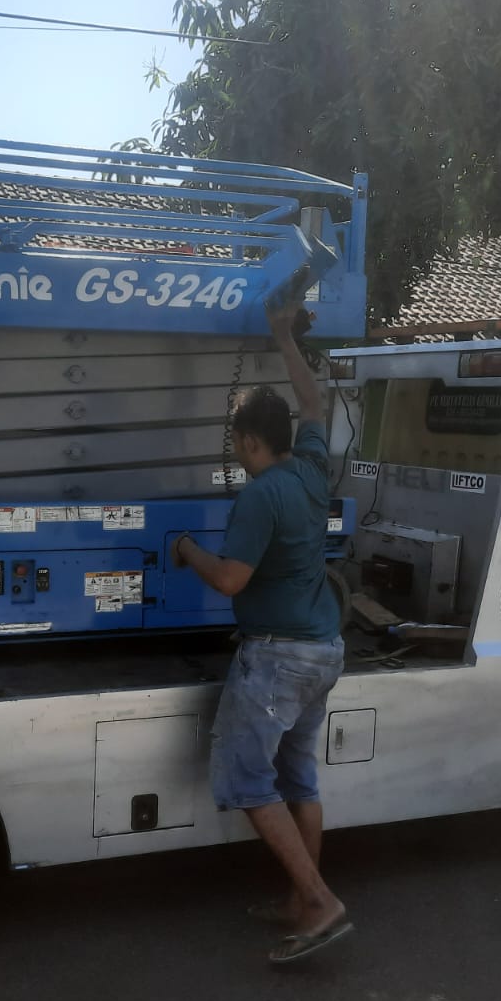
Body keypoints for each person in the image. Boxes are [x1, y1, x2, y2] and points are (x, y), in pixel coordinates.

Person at [170, 297, 352, 966]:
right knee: (298, 777)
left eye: (237, 442)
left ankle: (320, 901)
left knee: (247, 780)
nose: (237, 453)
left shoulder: (260, 495)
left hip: (277, 659)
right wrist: (282, 336)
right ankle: (301, 899)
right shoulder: (310, 468)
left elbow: (230, 580)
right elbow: (313, 401)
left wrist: (187, 549)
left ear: (250, 441)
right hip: (324, 648)